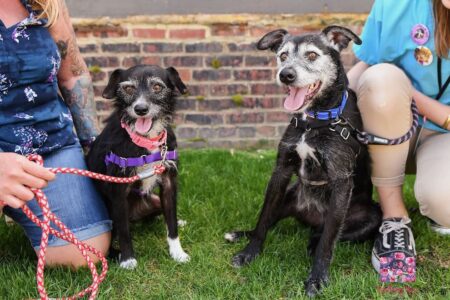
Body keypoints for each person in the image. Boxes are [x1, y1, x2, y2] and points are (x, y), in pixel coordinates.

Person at [0, 0, 111, 267]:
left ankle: (22, 204)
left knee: (82, 253)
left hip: (48, 145)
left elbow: (72, 74)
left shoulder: (46, 3)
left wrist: (97, 153)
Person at [347, 0, 450, 279]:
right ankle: (394, 219)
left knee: (445, 204)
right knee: (380, 79)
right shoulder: (395, 3)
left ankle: (433, 199)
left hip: (444, 136)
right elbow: (367, 68)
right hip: (391, 122)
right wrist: (326, 102)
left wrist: (406, 90)